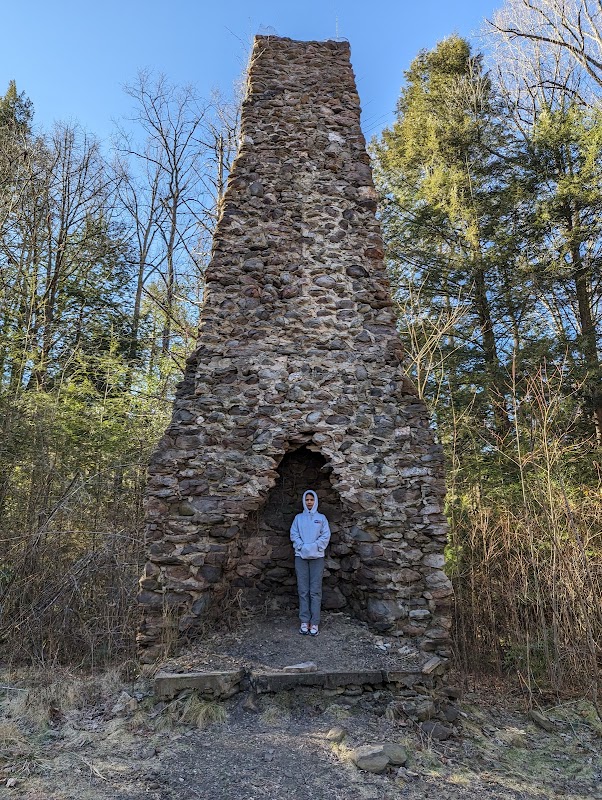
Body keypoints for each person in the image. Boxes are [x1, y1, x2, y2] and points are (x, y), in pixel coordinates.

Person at [290, 489, 331, 636]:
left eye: (311, 500)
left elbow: (325, 535)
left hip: (317, 558)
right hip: (300, 557)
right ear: (303, 501)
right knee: (303, 590)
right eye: (307, 500)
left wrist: (314, 548)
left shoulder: (321, 518)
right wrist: (302, 547)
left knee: (315, 591)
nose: (309, 502)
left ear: (315, 501)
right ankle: (304, 621)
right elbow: (294, 535)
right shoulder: (298, 518)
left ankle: (314, 622)